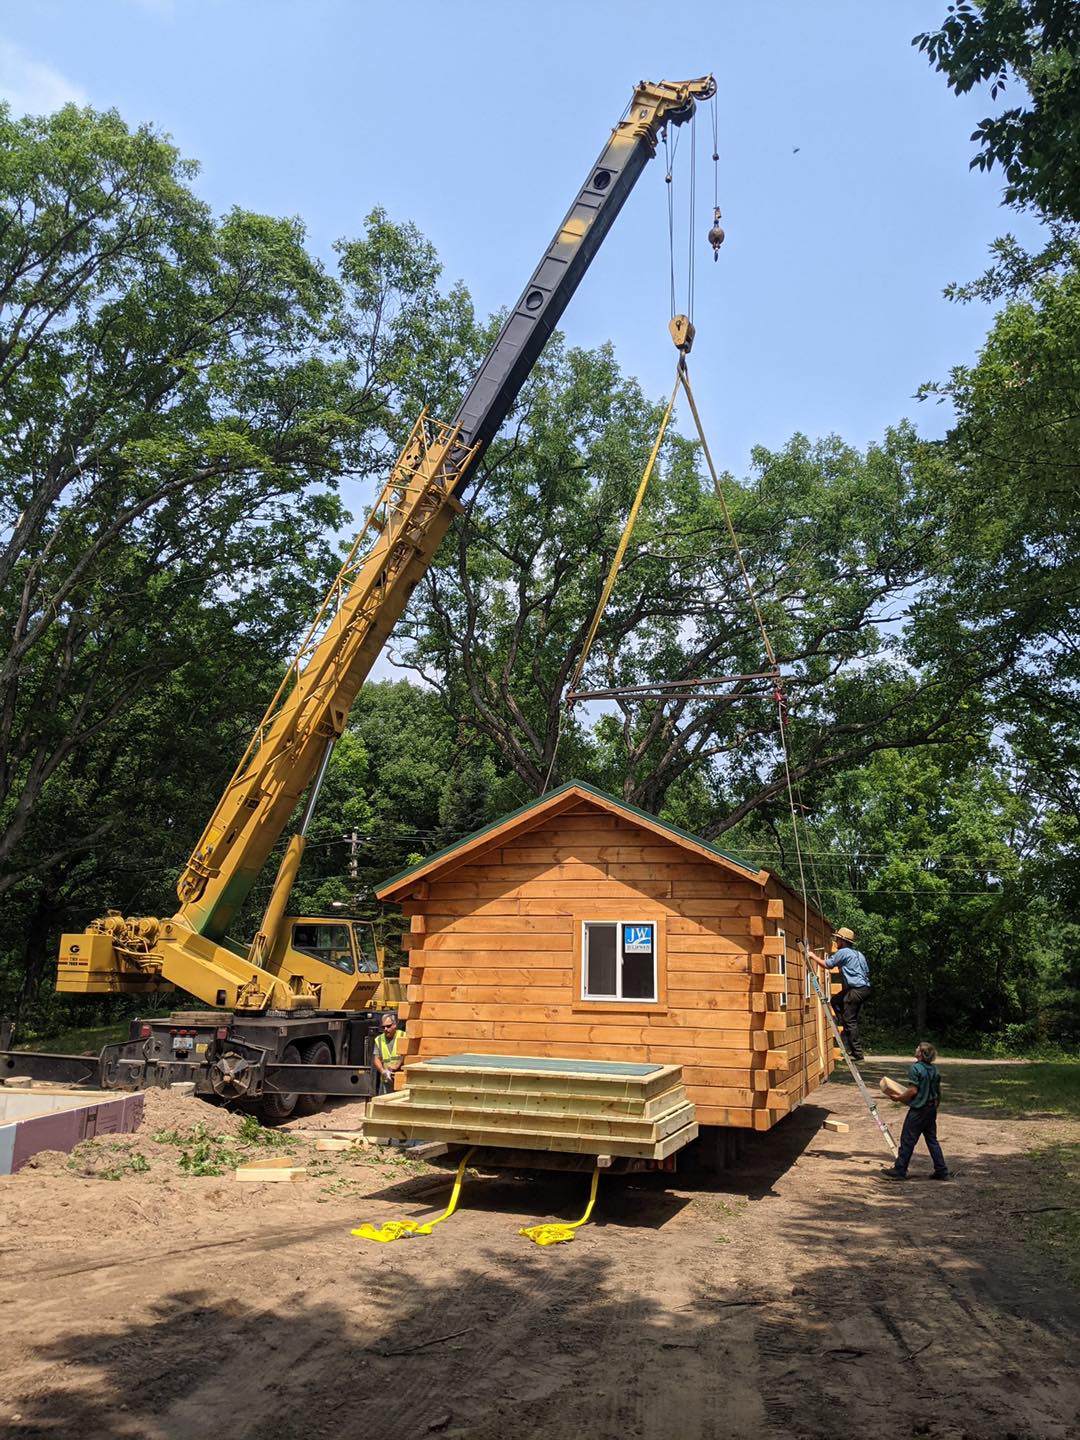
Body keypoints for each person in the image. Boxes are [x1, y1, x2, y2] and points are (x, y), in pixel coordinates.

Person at [881, 1041, 950, 1181]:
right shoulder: (934, 1069)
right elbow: (938, 1091)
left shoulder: (916, 1068)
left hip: (919, 1110)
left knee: (907, 1140)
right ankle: (941, 1170)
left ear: (921, 1053)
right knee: (932, 1140)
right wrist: (935, 1106)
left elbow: (913, 1090)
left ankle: (900, 1170)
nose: (916, 1048)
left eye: (918, 1048)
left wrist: (898, 1098)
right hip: (931, 1109)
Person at [822, 926, 871, 1060]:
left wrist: (810, 955)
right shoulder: (858, 954)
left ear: (843, 941)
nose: (835, 942)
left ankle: (857, 1053)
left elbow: (827, 964)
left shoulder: (843, 952)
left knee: (850, 1020)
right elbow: (865, 971)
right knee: (836, 1001)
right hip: (864, 989)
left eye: (837, 939)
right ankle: (845, 1027)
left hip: (856, 989)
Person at [373, 1011, 404, 1094]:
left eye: (388, 1026)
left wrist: (396, 1067)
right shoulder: (379, 1039)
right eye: (383, 1027)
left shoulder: (403, 1036)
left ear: (395, 1025)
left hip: (400, 1077)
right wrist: (383, 1071)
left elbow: (406, 1055)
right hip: (387, 1079)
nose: (385, 1029)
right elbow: (376, 1059)